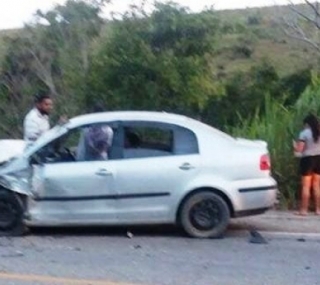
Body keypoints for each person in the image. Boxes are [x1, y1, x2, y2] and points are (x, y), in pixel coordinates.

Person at [293, 114, 320, 216]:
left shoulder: (304, 133)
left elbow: (300, 149)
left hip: (308, 160)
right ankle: (318, 210)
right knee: (317, 186)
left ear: (307, 124)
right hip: (319, 159)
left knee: (306, 186)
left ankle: (304, 210)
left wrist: (295, 146)